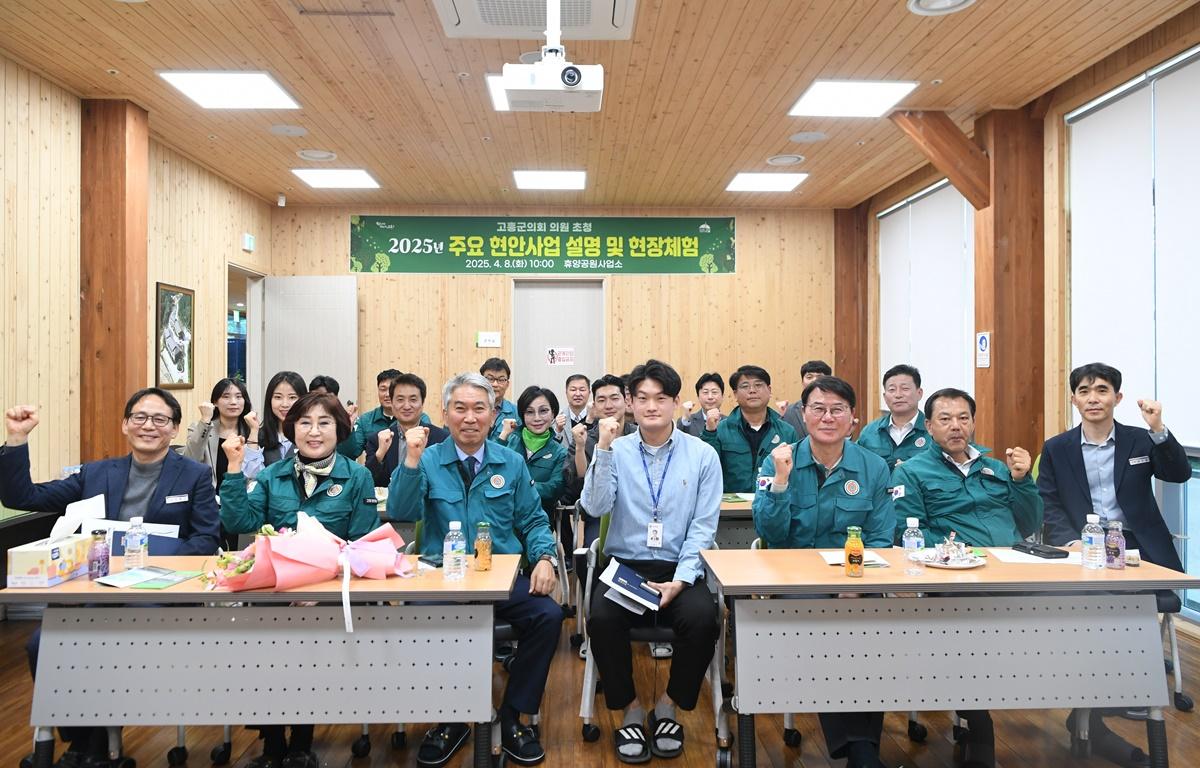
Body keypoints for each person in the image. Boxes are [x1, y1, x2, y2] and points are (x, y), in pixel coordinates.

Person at [1, 389, 220, 767]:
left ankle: (95, 744)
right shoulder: (96, 473)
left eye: (160, 419)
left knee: (110, 640)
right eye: (139, 417)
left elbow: (205, 540)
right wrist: (17, 438)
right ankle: (83, 740)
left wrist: (149, 562)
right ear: (124, 425)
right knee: (42, 644)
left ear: (174, 429)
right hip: (97, 592)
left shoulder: (194, 475)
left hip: (158, 595)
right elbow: (23, 497)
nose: (148, 426)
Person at [387, 373, 561, 768]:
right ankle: (450, 718)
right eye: (460, 408)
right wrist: (410, 461)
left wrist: (545, 558)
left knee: (548, 616)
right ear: (445, 413)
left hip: (500, 580)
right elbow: (401, 512)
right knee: (414, 617)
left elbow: (534, 520)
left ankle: (513, 716)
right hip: (442, 582)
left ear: (493, 414)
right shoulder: (427, 459)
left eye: (479, 408)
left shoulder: (510, 462)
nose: (470, 418)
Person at [1039, 362, 1188, 768]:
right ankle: (1100, 701)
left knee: (1131, 606)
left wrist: (1159, 429)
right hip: (1082, 547)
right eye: (1084, 391)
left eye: (1102, 390)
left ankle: (1117, 693)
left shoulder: (1140, 440)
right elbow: (1049, 503)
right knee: (1089, 610)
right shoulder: (1057, 448)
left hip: (1140, 547)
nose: (1093, 398)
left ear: (1117, 398)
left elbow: (1178, 473)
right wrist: (1070, 542)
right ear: (1073, 399)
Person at [220, 392, 378, 768]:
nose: (314, 431)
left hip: (328, 598)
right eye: (305, 423)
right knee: (264, 656)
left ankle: (301, 744)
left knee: (306, 653)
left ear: (339, 430)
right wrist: (234, 469)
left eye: (324, 423)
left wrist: (319, 587)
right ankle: (273, 744)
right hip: (273, 595)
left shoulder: (358, 477)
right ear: (292, 430)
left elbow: (361, 544)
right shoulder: (272, 475)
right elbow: (239, 522)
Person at [889, 388, 1041, 768]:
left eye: (963, 418)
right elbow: (909, 531)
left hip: (1010, 573)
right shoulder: (911, 471)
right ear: (928, 426)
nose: (956, 426)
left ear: (973, 423)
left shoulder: (998, 468)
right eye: (945, 419)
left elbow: (1030, 523)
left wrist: (1022, 481)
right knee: (970, 625)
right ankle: (978, 720)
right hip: (954, 579)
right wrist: (962, 555)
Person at [581, 360, 722, 764]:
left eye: (661, 398)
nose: (651, 407)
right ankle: (629, 709)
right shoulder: (616, 449)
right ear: (629, 402)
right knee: (602, 617)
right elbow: (594, 506)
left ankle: (668, 706)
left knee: (703, 620)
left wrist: (681, 580)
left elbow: (703, 526)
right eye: (642, 398)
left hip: (680, 567)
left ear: (676, 402)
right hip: (626, 568)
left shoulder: (703, 455)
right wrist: (602, 449)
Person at [751, 375, 893, 768]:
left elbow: (881, 537)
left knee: (872, 635)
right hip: (796, 582)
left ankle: (862, 749)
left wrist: (855, 583)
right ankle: (862, 751)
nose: (827, 417)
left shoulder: (873, 467)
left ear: (853, 418)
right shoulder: (777, 459)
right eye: (818, 408)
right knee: (827, 625)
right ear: (804, 414)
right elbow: (769, 534)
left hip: (857, 578)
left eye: (837, 410)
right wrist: (781, 481)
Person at [184, 378, 264, 549]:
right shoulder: (200, 428)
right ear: (215, 402)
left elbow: (253, 474)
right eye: (226, 396)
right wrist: (205, 421)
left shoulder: (253, 430)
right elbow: (190, 460)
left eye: (239, 396)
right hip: (207, 503)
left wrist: (254, 432)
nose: (233, 402)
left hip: (240, 503)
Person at [563, 374, 637, 550]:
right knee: (592, 552)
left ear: (626, 400)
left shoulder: (638, 435)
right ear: (594, 405)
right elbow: (578, 486)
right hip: (600, 516)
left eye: (614, 398)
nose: (609, 405)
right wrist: (580, 448)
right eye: (601, 400)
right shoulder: (585, 437)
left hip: (637, 510)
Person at [701, 365, 797, 492]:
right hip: (730, 504)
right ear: (735, 394)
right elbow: (707, 467)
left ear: (769, 390)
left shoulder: (787, 432)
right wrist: (709, 432)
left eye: (758, 385)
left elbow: (796, 476)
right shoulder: (721, 430)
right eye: (745, 386)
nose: (752, 390)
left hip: (772, 502)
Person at [498, 386, 567, 524]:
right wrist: (503, 435)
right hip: (503, 519)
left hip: (538, 521)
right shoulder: (510, 441)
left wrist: (519, 486)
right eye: (529, 412)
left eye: (543, 411)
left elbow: (554, 489)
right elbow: (491, 472)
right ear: (522, 415)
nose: (537, 418)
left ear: (553, 413)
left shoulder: (560, 452)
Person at [365, 373, 449, 487]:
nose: (407, 406)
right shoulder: (377, 440)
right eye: (400, 400)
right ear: (392, 403)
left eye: (413, 400)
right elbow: (367, 481)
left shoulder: (442, 439)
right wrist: (379, 454)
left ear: (422, 403)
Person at [856, 364, 931, 469]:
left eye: (905, 389)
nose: (898, 395)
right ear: (885, 397)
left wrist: (913, 470)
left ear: (919, 393)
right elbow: (855, 464)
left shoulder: (934, 430)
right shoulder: (870, 432)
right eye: (892, 390)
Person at [337, 368, 402, 458]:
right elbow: (350, 454)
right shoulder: (365, 420)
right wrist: (348, 428)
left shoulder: (416, 418)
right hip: (375, 466)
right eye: (383, 389)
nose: (387, 394)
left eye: (392, 389)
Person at [251, 371, 307, 473]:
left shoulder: (311, 436)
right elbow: (251, 475)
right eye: (278, 397)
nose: (285, 404)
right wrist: (253, 432)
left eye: (292, 397)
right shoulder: (260, 436)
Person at [781, 359, 832, 438]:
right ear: (802, 382)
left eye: (819, 377)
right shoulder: (791, 411)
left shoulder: (836, 408)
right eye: (809, 377)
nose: (814, 380)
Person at [482, 358, 520, 442]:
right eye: (490, 379)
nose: (495, 384)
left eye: (501, 380)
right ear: (481, 382)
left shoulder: (517, 413)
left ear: (507, 384)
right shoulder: (471, 411)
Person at [677, 372, 725, 437]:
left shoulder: (730, 422)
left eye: (714, 392)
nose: (710, 397)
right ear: (698, 396)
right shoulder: (688, 421)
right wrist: (685, 419)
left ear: (722, 396)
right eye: (705, 392)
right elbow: (677, 438)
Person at [554, 374, 592, 448]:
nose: (578, 394)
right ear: (566, 393)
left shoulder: (596, 418)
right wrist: (558, 431)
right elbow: (551, 448)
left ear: (589, 393)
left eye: (582, 390)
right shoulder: (556, 418)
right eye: (573, 390)